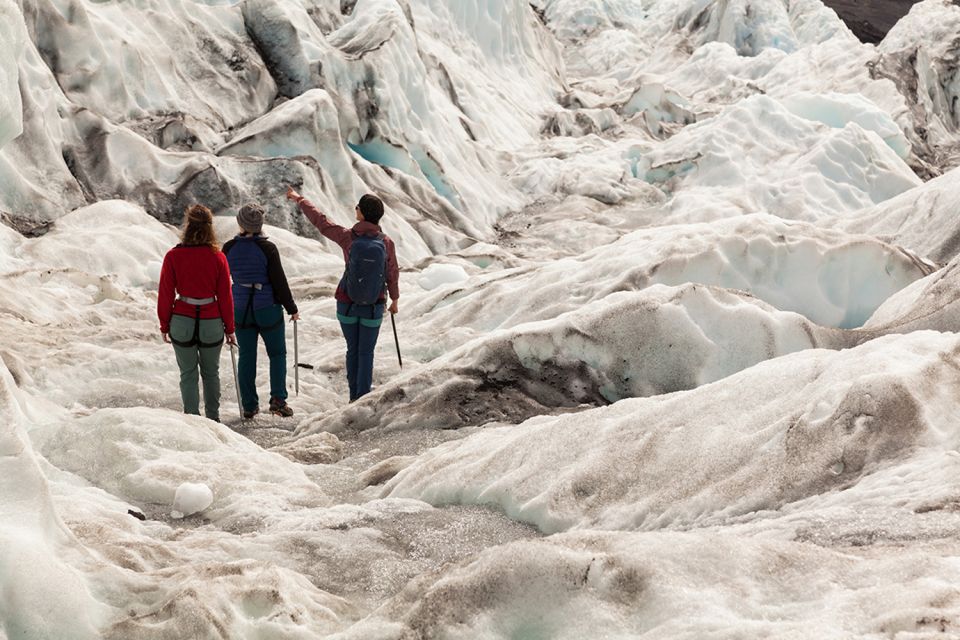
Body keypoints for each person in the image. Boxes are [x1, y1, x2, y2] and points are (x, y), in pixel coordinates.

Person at [286, 187, 399, 401]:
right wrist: (395, 299)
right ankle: (362, 397)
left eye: (358, 207)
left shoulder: (348, 237)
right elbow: (392, 271)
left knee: (352, 350)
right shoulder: (386, 242)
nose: (355, 208)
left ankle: (352, 395)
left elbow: (322, 222)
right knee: (366, 352)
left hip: (346, 303)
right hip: (374, 305)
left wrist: (300, 199)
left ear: (362, 213)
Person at [158, 204, 237, 421]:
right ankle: (214, 419)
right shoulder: (218, 257)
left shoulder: (173, 256)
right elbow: (225, 297)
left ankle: (192, 419)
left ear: (188, 225)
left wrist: (164, 325)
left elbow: (165, 294)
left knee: (188, 374)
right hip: (211, 321)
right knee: (211, 374)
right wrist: (230, 329)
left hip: (182, 320)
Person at [222, 203, 299, 418]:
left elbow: (222, 280)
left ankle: (249, 405)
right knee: (277, 354)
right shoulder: (268, 248)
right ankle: (278, 400)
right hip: (267, 307)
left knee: (246, 356)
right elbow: (279, 281)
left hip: (240, 308)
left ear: (240, 223)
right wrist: (291, 308)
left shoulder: (228, 248)